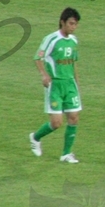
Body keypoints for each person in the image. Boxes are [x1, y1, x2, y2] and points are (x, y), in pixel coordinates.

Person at [30, 8, 82, 162]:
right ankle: (35, 137)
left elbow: (73, 63)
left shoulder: (74, 41)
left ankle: (66, 153)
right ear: (62, 22)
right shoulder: (51, 39)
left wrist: (77, 82)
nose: (73, 27)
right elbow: (38, 58)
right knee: (56, 123)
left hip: (70, 84)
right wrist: (44, 75)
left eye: (76, 24)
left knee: (74, 118)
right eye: (71, 23)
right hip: (55, 86)